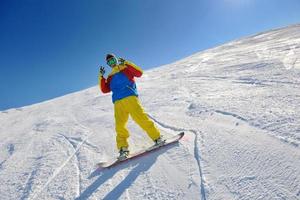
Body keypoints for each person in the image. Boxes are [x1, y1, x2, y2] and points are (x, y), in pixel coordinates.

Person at [98, 53, 164, 160]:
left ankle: (157, 138)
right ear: (108, 64)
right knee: (120, 126)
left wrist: (127, 63)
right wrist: (101, 77)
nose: (112, 63)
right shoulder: (110, 77)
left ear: (116, 59)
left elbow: (139, 73)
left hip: (130, 97)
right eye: (109, 62)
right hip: (118, 103)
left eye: (113, 60)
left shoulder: (125, 68)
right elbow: (105, 89)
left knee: (140, 118)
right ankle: (123, 149)